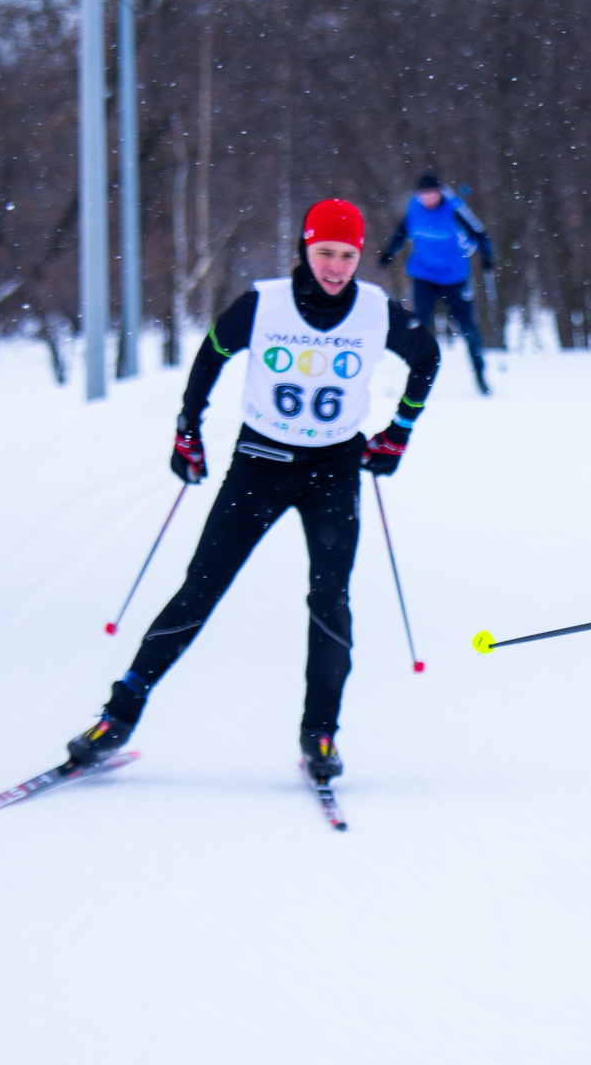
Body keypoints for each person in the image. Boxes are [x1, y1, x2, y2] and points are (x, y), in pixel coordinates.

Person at [65, 199, 441, 784]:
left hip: (334, 472)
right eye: (325, 254)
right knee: (200, 590)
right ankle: (118, 716)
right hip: (259, 465)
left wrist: (399, 432)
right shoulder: (262, 304)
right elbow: (211, 355)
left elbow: (427, 357)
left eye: (347, 256)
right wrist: (187, 429)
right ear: (304, 249)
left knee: (330, 600)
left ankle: (320, 733)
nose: (336, 268)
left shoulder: (376, 311)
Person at [378, 172, 497, 395]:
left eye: (432, 194)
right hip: (424, 275)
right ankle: (415, 374)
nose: (428, 199)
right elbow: (401, 233)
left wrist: (488, 257)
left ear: (440, 192)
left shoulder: (454, 207)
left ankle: (480, 375)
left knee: (468, 328)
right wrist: (388, 253)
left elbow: (479, 234)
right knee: (419, 325)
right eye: (424, 195)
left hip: (454, 277)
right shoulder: (414, 208)